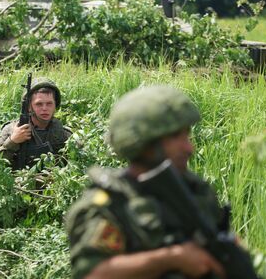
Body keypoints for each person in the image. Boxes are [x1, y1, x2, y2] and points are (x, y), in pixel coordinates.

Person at [66, 85, 243, 279]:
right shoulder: (109, 203)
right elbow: (92, 274)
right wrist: (172, 258)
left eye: (187, 135)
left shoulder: (196, 189)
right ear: (142, 142)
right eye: (176, 136)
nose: (189, 148)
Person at [0, 78, 72, 169]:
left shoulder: (63, 134)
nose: (45, 108)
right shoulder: (12, 129)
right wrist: (12, 141)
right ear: (29, 106)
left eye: (49, 104)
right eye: (39, 104)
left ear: (55, 105)